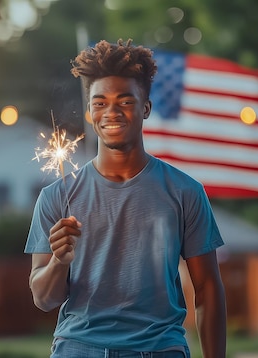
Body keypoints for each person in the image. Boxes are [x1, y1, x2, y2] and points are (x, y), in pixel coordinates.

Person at [25, 39, 227, 358]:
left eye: (125, 101)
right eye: (100, 102)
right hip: (79, 348)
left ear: (145, 108)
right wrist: (59, 262)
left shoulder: (186, 192)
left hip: (160, 349)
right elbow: (44, 299)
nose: (112, 112)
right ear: (90, 112)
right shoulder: (56, 197)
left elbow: (208, 290)